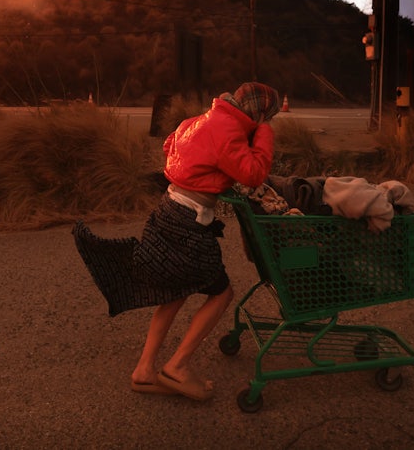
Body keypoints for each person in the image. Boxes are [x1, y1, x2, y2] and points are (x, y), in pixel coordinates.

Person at [73, 82, 280, 401]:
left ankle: (144, 371)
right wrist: (264, 134)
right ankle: (177, 367)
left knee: (174, 293)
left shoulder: (199, 120)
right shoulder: (228, 129)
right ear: (259, 114)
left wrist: (204, 171)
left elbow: (170, 145)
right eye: (269, 117)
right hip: (189, 222)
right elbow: (252, 173)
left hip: (168, 210)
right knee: (221, 294)